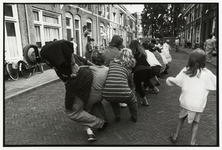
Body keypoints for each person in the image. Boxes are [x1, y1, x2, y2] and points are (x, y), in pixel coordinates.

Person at [40, 40, 109, 141]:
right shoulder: (59, 56)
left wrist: (73, 65)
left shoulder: (45, 52)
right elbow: (84, 61)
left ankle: (100, 123)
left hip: (77, 83)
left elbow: (64, 43)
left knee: (72, 112)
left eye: (32, 54)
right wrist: (95, 68)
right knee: (83, 106)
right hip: (83, 79)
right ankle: (94, 127)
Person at [166, 48, 216, 145]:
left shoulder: (186, 70)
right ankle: (192, 142)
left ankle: (175, 136)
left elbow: (177, 81)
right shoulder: (207, 74)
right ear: (203, 60)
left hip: (186, 102)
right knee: (196, 122)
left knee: (181, 118)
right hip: (198, 104)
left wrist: (169, 80)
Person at [102, 48, 138, 123]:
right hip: (123, 92)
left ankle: (117, 116)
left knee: (114, 101)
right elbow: (130, 81)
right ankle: (134, 116)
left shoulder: (112, 63)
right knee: (133, 101)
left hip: (107, 93)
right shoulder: (129, 67)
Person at [103, 35, 128, 108]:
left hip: (105, 75)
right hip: (115, 75)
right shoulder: (120, 54)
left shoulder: (105, 51)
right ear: (119, 44)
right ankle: (121, 100)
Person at [129, 40, 155, 106]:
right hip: (149, 69)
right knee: (146, 80)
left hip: (140, 70)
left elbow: (133, 64)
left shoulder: (133, 54)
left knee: (138, 85)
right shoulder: (142, 53)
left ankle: (145, 101)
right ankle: (154, 88)